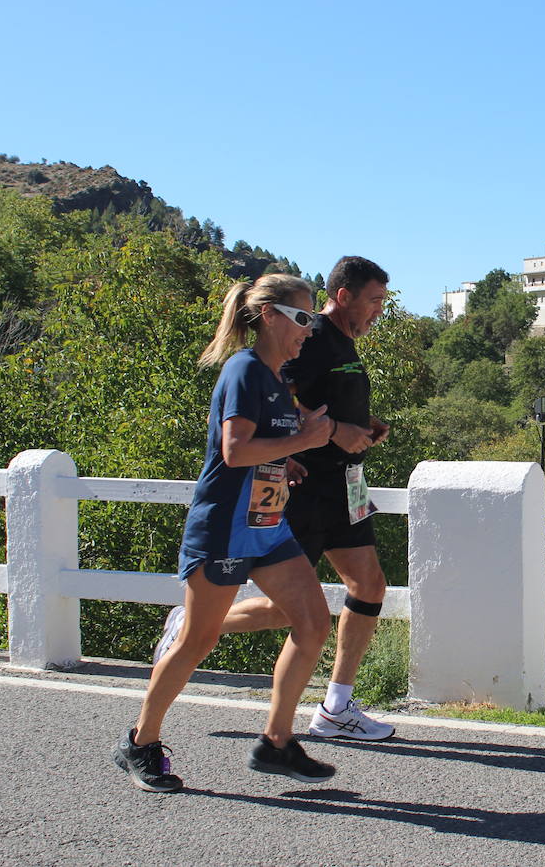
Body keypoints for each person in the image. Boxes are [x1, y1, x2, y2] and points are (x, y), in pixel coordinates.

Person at [154, 256, 397, 741]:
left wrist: (359, 428)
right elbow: (280, 397)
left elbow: (312, 402)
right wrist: (325, 436)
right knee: (292, 611)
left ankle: (333, 708)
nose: (378, 312)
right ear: (343, 295)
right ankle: (197, 629)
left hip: (344, 485)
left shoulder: (340, 341)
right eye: (373, 301)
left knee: (369, 586)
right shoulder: (300, 340)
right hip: (305, 489)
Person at [114, 274, 338, 792]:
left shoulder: (279, 378)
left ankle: (277, 743)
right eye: (303, 318)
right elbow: (234, 451)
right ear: (268, 316)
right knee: (199, 640)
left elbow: (262, 450)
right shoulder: (244, 370)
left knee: (312, 623)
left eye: (313, 320)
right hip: (223, 528)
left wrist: (287, 463)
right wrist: (302, 439)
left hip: (267, 527)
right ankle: (140, 743)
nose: (310, 330)